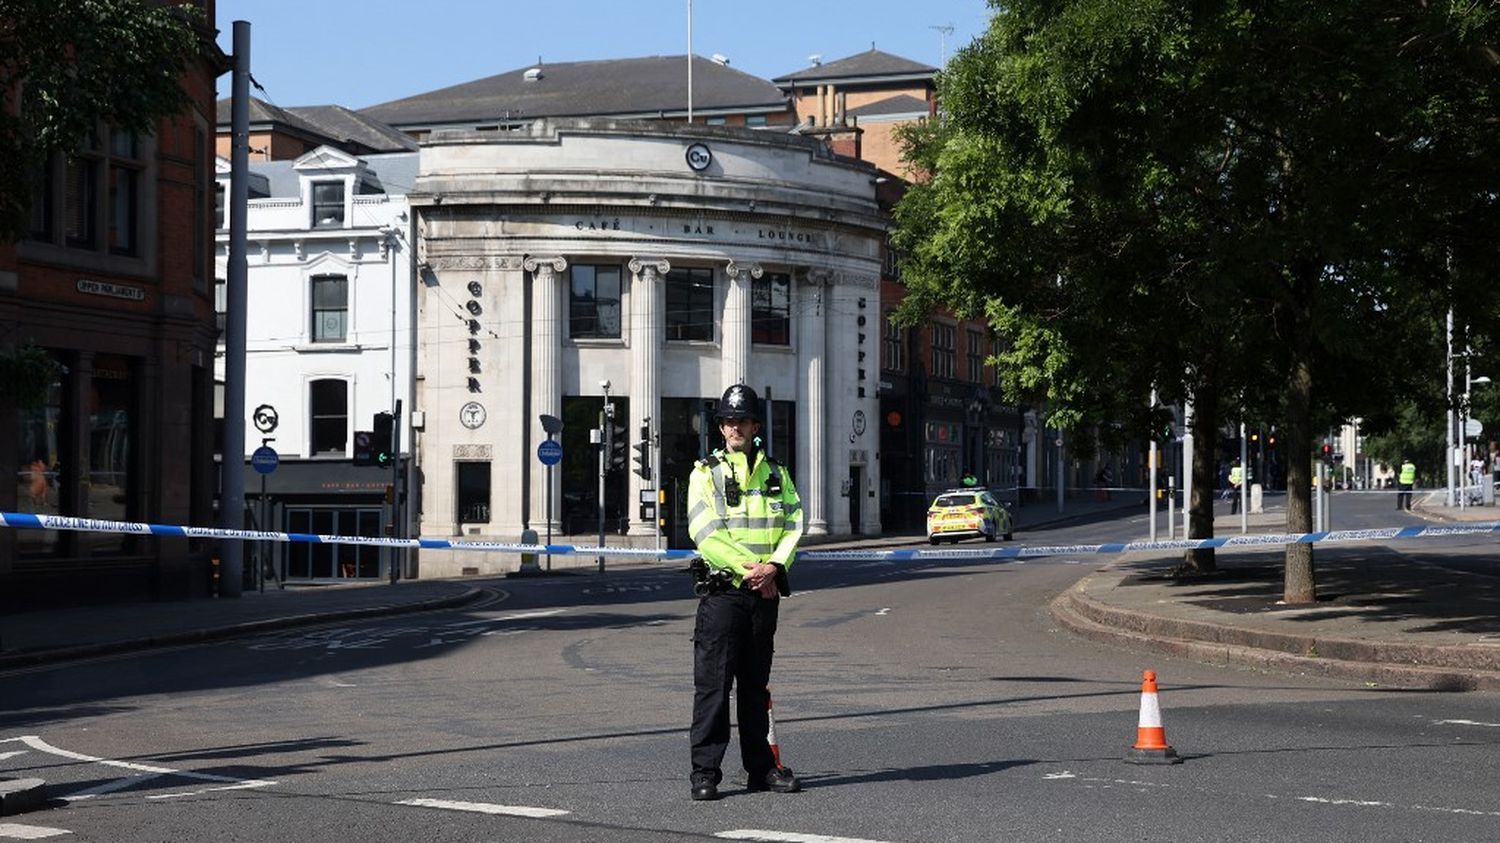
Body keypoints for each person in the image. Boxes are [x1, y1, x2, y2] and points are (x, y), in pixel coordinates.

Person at [686, 384, 804, 801]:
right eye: (727, 420)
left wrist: (774, 567)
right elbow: (705, 532)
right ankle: (705, 774)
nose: (734, 426)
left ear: (756, 425)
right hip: (723, 595)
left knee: (755, 687)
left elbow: (794, 524)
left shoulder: (776, 473)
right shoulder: (706, 473)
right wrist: (749, 570)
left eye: (742, 420)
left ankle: (761, 770)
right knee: (713, 687)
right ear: (720, 427)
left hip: (763, 593)